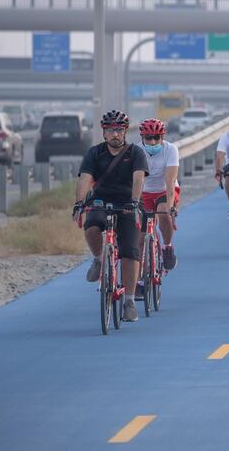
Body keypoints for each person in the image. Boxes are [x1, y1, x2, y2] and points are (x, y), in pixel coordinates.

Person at [73, 110, 148, 323]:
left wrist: (134, 202)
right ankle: (98, 260)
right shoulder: (95, 153)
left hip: (128, 203)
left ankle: (129, 301)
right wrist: (79, 203)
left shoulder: (135, 153)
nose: (115, 134)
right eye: (111, 130)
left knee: (130, 251)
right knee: (92, 226)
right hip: (101, 201)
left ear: (125, 132)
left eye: (119, 130)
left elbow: (138, 178)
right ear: (104, 133)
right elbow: (85, 178)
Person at [137, 118, 179, 272]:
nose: (153, 142)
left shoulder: (171, 149)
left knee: (164, 215)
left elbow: (170, 180)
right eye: (149, 138)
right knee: (140, 239)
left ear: (163, 137)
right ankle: (141, 278)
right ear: (142, 137)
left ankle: (167, 247)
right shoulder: (135, 151)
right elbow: (135, 178)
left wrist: (170, 206)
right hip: (143, 192)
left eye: (157, 138)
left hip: (164, 190)